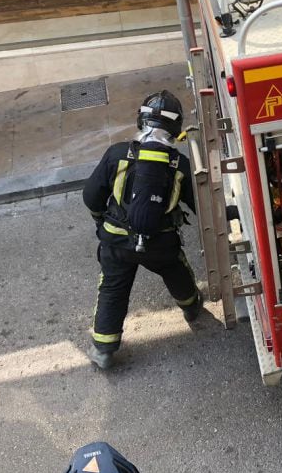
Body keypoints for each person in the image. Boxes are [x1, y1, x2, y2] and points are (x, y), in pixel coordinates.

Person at [82, 90, 199, 369]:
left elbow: (91, 196)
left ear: (141, 121)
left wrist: (100, 221)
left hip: (116, 242)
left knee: (112, 289)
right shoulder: (179, 165)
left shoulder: (117, 154)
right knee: (177, 271)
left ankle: (103, 349)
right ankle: (192, 307)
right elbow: (200, 205)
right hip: (161, 243)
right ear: (176, 126)